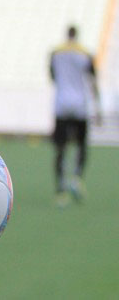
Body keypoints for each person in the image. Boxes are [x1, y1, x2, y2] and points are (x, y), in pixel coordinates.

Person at [49, 25, 100, 207]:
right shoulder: (85, 53)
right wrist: (98, 106)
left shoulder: (56, 53)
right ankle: (77, 178)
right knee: (81, 145)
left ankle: (61, 190)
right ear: (77, 35)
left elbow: (52, 77)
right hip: (80, 105)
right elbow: (93, 80)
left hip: (62, 104)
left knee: (60, 148)